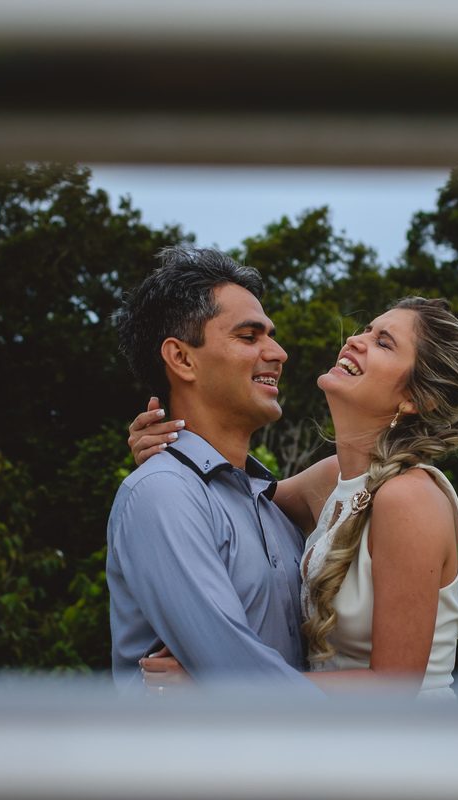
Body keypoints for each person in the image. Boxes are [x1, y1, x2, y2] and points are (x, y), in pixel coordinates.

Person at [132, 296, 458, 698]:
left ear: (416, 400)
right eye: (366, 329)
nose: (356, 340)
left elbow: (394, 690)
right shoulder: (331, 477)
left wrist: (221, 685)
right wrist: (171, 453)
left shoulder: (410, 498)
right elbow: (231, 498)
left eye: (383, 342)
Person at [107, 244, 321, 695]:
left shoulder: (272, 506)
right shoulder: (162, 493)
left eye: (270, 335)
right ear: (182, 358)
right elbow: (234, 669)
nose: (278, 352)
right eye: (249, 336)